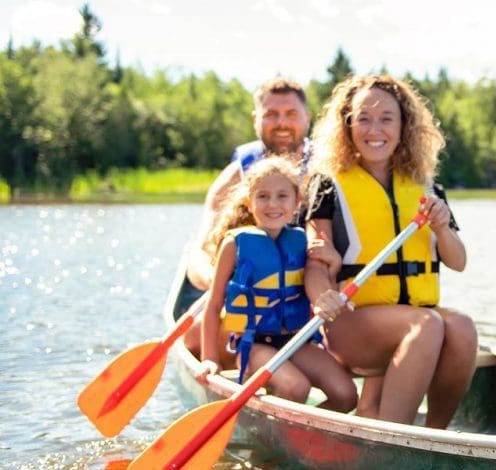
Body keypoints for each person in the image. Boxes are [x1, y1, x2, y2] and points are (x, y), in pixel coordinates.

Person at [304, 74, 478, 427]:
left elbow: (457, 261)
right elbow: (316, 259)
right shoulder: (328, 184)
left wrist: (442, 227)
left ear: (403, 125)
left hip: (413, 318)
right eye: (363, 118)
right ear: (347, 124)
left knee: (461, 327)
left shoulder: (427, 187)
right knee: (426, 324)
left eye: (386, 118)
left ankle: (436, 436)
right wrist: (323, 296)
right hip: (352, 322)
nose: (375, 129)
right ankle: (395, 438)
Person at [196, 157, 357, 413]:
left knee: (347, 395)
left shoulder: (302, 241)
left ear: (297, 204)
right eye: (263, 196)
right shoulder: (234, 244)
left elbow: (325, 295)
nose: (272, 204)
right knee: (296, 388)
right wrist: (209, 359)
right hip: (255, 344)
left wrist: (335, 265)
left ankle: (303, 437)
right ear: (250, 203)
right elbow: (214, 304)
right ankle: (276, 442)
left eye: (282, 196)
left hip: (297, 340)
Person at [184, 77, 312, 364]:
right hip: (250, 304)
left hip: (304, 301)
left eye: (291, 114)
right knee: (192, 338)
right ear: (256, 119)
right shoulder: (235, 175)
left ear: (307, 118)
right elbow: (198, 256)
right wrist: (221, 281)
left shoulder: (326, 170)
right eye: (271, 114)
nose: (281, 123)